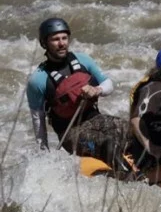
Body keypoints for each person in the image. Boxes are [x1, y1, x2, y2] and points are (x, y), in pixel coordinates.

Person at [26, 17, 128, 169]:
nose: (61, 43)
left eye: (64, 38)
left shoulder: (83, 60)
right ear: (44, 43)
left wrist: (96, 90)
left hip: (97, 120)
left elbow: (109, 84)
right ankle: (133, 180)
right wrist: (43, 155)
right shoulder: (38, 80)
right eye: (55, 39)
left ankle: (153, 165)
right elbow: (38, 120)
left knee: (136, 131)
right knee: (109, 145)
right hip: (70, 133)